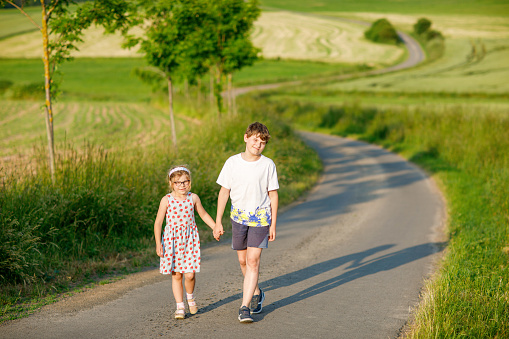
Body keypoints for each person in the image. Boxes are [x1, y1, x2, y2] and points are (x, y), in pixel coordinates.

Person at [214, 122, 279, 323]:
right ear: (246, 138)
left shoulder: (268, 165)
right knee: (242, 261)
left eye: (262, 142)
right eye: (254, 140)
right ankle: (257, 291)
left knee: (252, 261)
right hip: (238, 218)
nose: (257, 145)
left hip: (261, 219)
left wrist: (273, 224)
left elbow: (273, 195)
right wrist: (217, 222)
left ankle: (244, 307)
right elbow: (224, 192)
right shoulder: (232, 163)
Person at [154, 165, 218, 320]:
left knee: (189, 274)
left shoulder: (193, 198)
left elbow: (203, 214)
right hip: (172, 240)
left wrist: (215, 227)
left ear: (189, 182)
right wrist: (158, 243)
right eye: (177, 182)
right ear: (171, 183)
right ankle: (180, 307)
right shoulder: (166, 200)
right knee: (176, 275)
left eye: (185, 181)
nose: (182, 185)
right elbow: (158, 223)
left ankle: (190, 297)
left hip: (190, 240)